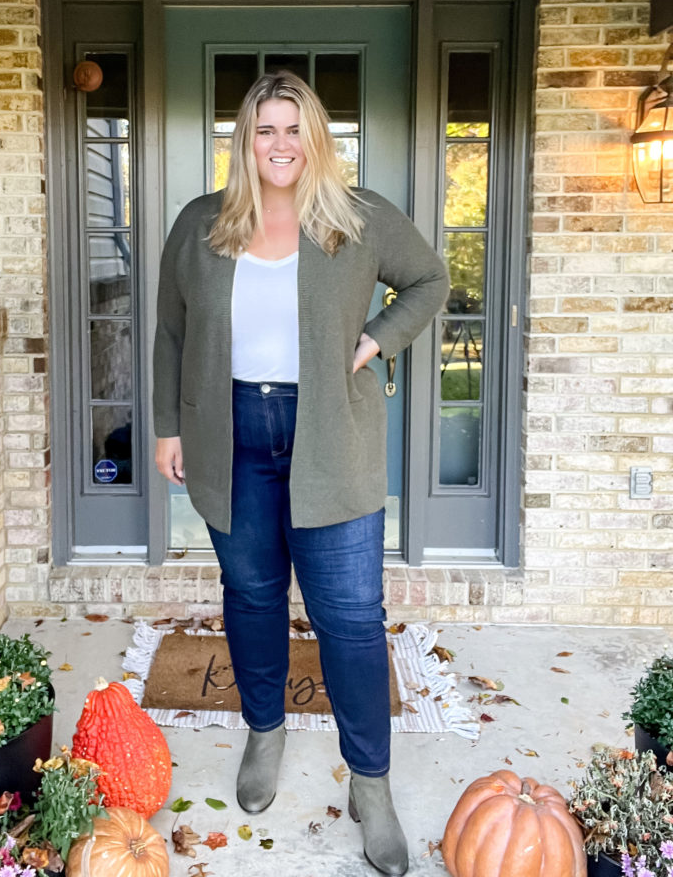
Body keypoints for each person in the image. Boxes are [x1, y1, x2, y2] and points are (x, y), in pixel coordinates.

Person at [153, 71, 448, 877]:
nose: (279, 144)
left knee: (350, 618)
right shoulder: (202, 225)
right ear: (244, 141)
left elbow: (429, 281)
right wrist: (167, 427)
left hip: (332, 440)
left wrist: (375, 339)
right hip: (232, 434)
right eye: (264, 130)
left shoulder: (359, 217)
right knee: (250, 596)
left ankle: (372, 786)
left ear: (315, 136)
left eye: (293, 129)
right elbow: (171, 333)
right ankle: (265, 729)